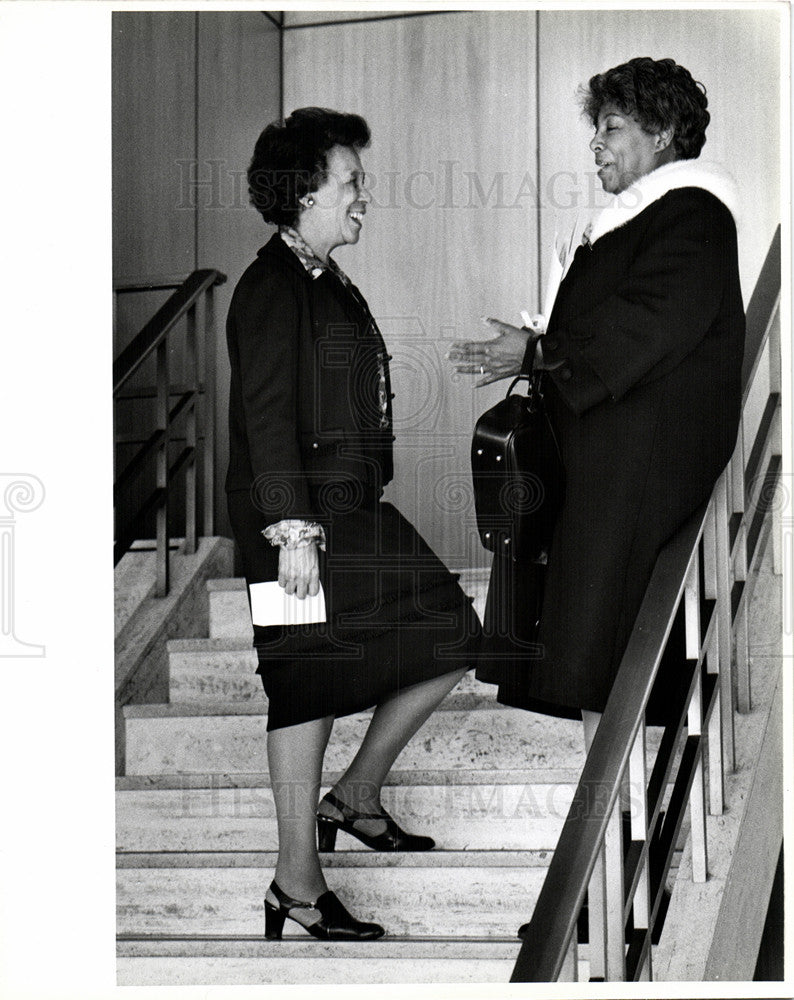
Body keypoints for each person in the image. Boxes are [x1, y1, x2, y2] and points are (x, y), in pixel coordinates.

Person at [226, 107, 479, 942]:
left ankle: (358, 795)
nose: (362, 194)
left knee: (451, 631)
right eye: (351, 182)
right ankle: (296, 882)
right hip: (295, 528)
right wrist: (291, 529)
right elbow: (265, 415)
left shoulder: (325, 278)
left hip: (355, 514)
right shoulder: (270, 286)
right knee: (303, 680)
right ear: (305, 193)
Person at [450, 57, 744, 747]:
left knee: (607, 647)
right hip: (611, 462)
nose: (595, 144)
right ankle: (608, 818)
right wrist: (540, 343)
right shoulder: (645, 217)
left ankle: (618, 821)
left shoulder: (694, 211)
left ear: (666, 130)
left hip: (638, 465)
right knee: (592, 651)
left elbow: (649, 324)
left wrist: (537, 353)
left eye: (612, 127)